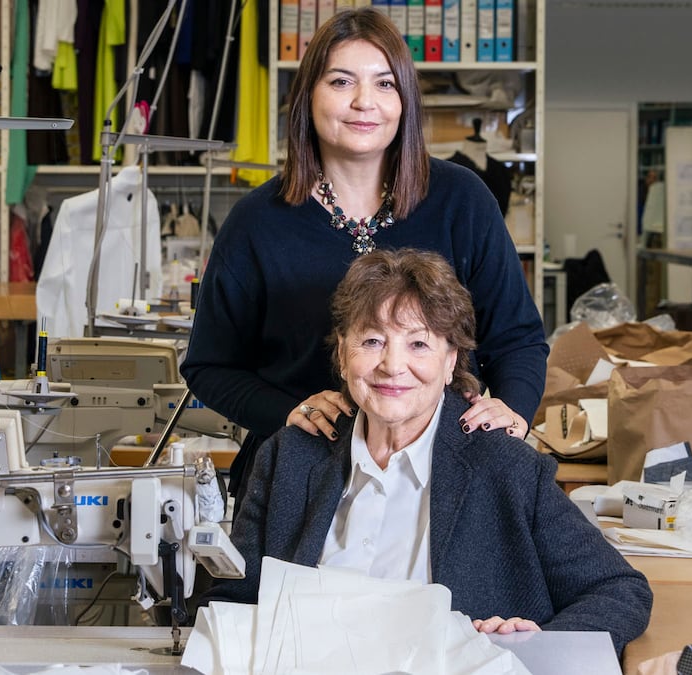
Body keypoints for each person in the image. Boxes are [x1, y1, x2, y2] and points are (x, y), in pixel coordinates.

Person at [181, 7, 547, 507]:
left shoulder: (462, 200)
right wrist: (290, 410)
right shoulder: (256, 222)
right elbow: (210, 366)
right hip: (298, 480)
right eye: (341, 81)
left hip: (445, 479)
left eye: (385, 84)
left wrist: (514, 410)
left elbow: (519, 338)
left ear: (405, 101)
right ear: (307, 95)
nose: (363, 103)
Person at [202, 249, 652, 653]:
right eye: (372, 340)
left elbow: (619, 591)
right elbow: (232, 600)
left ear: (451, 359)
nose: (392, 366)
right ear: (342, 353)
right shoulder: (290, 456)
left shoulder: (504, 465)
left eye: (418, 343)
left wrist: (535, 645)